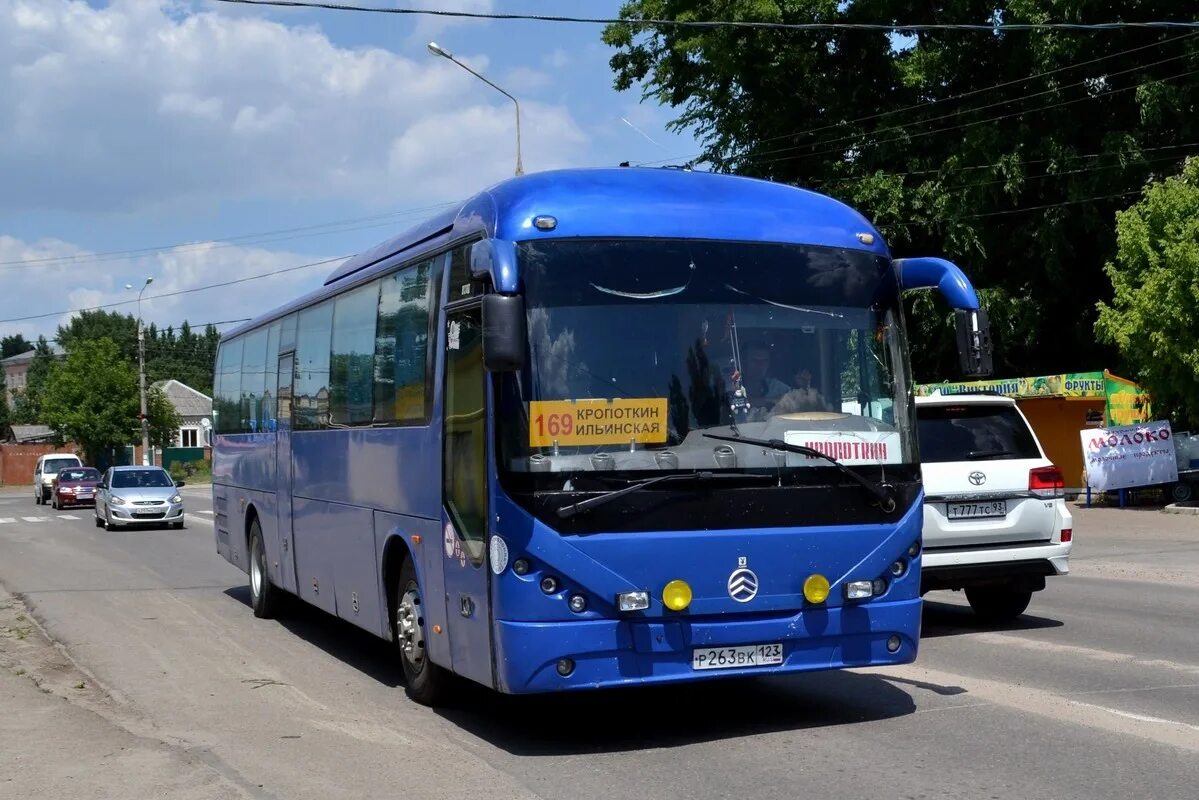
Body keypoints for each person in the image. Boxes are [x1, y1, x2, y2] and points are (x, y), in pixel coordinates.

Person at [741, 341, 790, 413]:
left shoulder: (776, 387)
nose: (760, 365)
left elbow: (795, 399)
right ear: (744, 362)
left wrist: (805, 386)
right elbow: (732, 404)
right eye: (755, 361)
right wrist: (771, 400)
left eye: (764, 361)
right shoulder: (733, 385)